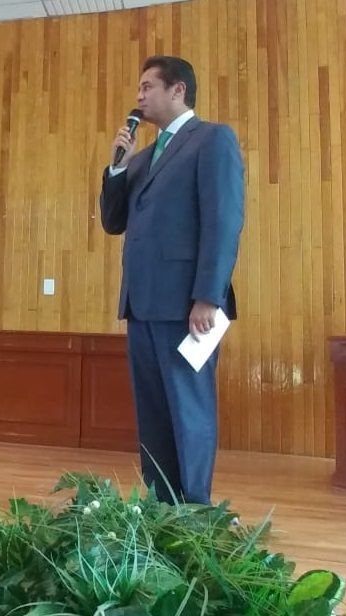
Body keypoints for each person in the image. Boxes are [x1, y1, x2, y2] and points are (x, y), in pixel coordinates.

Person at [99, 55, 244, 504]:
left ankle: (196, 509)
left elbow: (223, 220)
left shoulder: (212, 139)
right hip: (141, 304)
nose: (138, 96)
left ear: (178, 90)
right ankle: (162, 505)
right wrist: (117, 168)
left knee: (189, 410)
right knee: (154, 413)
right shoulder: (142, 159)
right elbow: (113, 221)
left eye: (147, 87)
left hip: (186, 305)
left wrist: (208, 296)